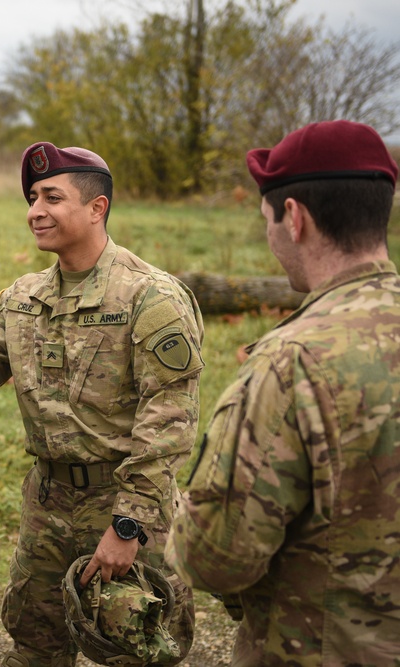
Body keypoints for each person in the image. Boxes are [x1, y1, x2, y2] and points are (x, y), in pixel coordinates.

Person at [0, 142, 203, 666]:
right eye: (31, 197)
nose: (35, 210)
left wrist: (128, 525)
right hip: (47, 504)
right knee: (36, 646)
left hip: (123, 503)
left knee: (137, 650)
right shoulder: (23, 296)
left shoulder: (149, 297)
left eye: (52, 196)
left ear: (97, 208)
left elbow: (170, 422)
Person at [165, 120, 400, 665]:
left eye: (265, 218)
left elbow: (217, 559)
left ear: (293, 218)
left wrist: (180, 516)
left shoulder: (290, 364)